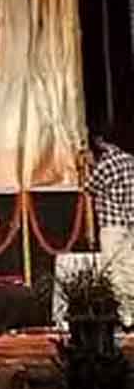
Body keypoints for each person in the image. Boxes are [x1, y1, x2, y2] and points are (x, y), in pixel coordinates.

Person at [86, 133, 134, 329]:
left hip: (112, 224)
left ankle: (126, 316)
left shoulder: (106, 163)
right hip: (130, 222)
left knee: (113, 270)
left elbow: (89, 187)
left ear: (99, 141)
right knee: (129, 267)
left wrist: (90, 165)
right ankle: (130, 312)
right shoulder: (130, 160)